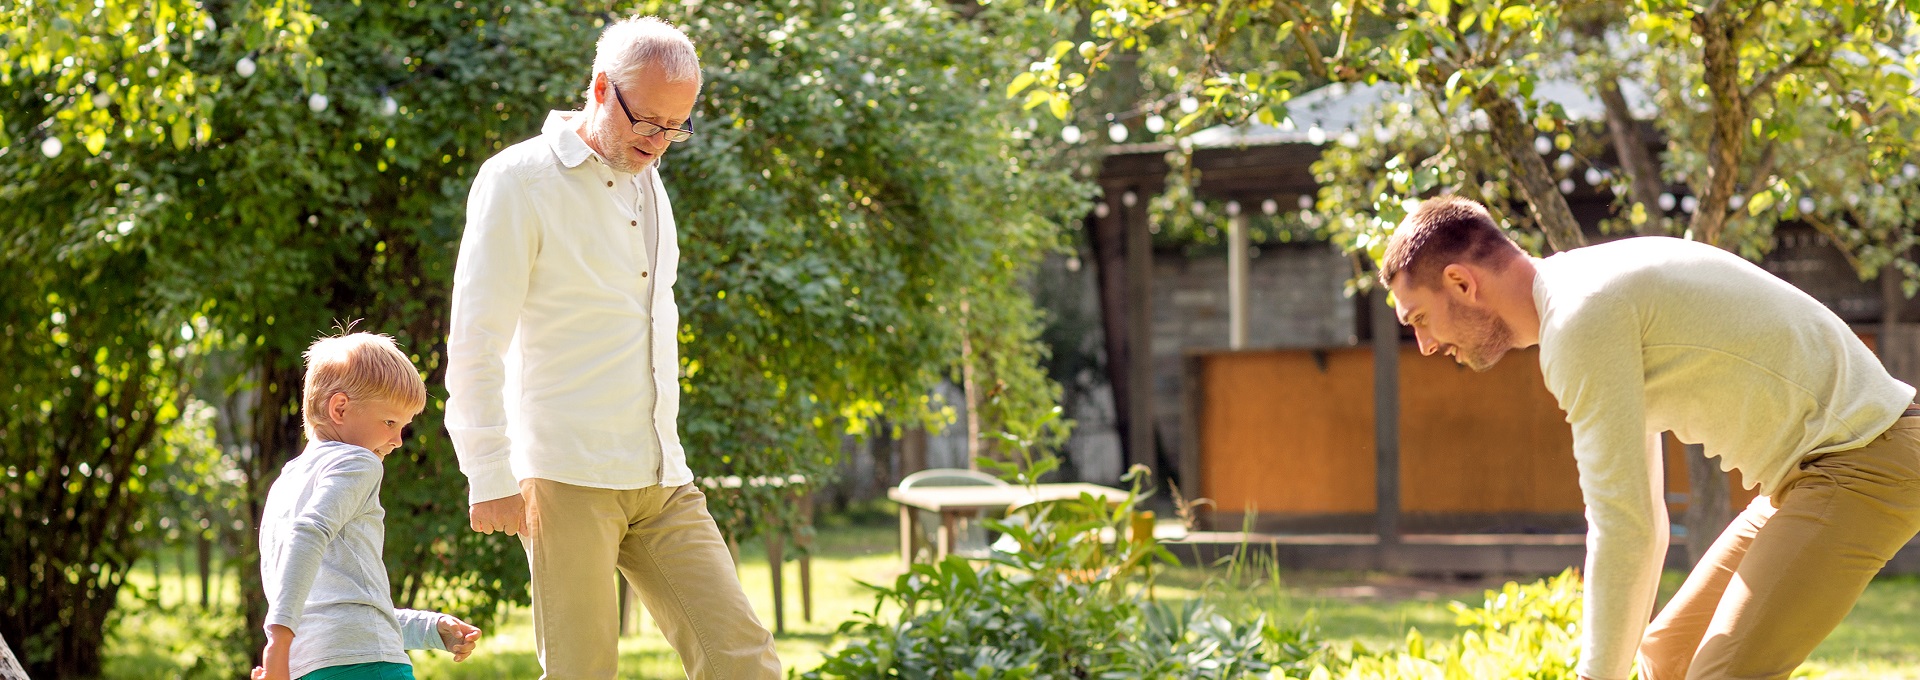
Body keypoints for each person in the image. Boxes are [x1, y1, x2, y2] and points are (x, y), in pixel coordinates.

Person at [1380, 195, 1920, 680]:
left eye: (1421, 318)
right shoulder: (1581, 292)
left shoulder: (1579, 321)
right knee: (1667, 659)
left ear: (1461, 283)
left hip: (1861, 458)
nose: (1424, 344)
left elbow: (1625, 526)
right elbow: (1642, 520)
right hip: (1813, 472)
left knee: (1720, 674)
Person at [444, 15, 781, 680]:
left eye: (675, 127)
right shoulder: (518, 181)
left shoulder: (646, 179)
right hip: (566, 474)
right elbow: (476, 337)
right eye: (648, 122)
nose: (659, 144)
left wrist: (668, 452)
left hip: (660, 474)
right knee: (581, 673)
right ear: (601, 88)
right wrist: (487, 472)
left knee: (744, 661)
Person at [254, 332, 483, 680]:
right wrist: (277, 642)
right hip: (367, 666)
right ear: (340, 408)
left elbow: (343, 602)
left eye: (403, 427)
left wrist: (428, 628)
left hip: (306, 665)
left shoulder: (285, 483)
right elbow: (309, 534)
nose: (397, 441)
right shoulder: (358, 463)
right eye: (390, 422)